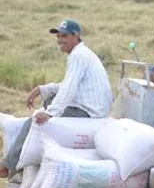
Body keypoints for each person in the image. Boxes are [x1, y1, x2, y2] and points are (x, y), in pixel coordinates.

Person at [0, 19, 113, 178]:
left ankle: (6, 166)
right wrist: (42, 89)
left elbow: (69, 88)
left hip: (88, 111)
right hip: (89, 106)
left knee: (33, 123)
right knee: (48, 101)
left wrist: (51, 113)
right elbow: (69, 85)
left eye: (64, 36)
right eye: (58, 37)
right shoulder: (81, 54)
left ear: (76, 36)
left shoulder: (78, 56)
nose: (60, 41)